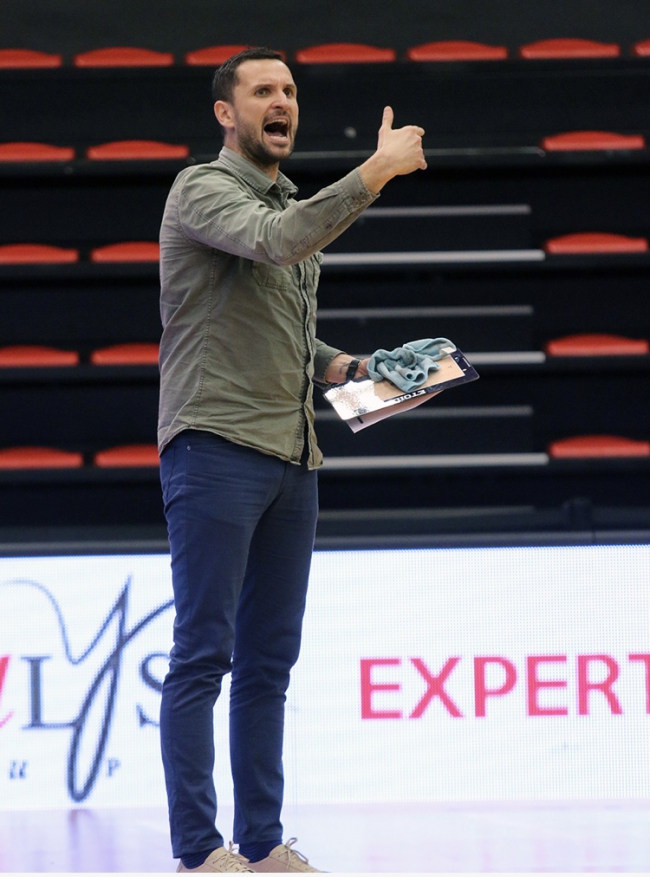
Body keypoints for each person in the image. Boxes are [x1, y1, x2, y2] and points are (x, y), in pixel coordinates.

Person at [157, 46, 426, 873]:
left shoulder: (290, 207)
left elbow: (286, 334)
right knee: (206, 651)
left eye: (290, 91)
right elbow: (277, 242)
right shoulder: (204, 189)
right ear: (225, 113)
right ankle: (200, 849)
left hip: (292, 452)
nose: (283, 102)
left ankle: (263, 841)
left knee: (269, 662)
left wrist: (354, 371)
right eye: (263, 91)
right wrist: (374, 174)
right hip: (216, 446)